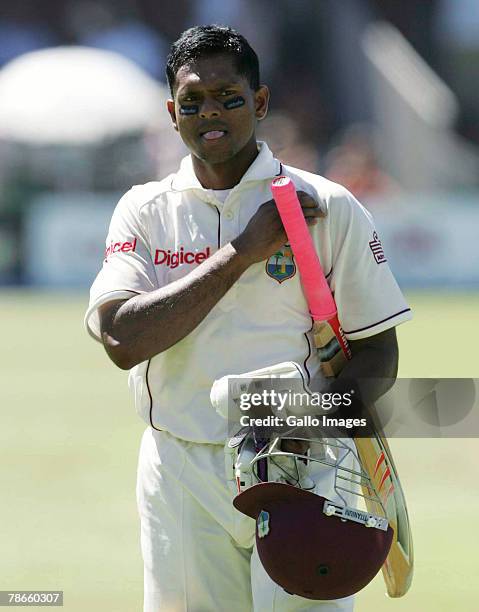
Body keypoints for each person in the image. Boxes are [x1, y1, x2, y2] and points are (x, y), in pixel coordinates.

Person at [85, 25, 412, 612]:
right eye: (193, 102)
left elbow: (378, 353)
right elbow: (120, 337)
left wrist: (308, 423)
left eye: (229, 98)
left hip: (300, 466)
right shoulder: (144, 210)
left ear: (259, 103)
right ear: (171, 111)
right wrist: (241, 251)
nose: (211, 113)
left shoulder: (327, 205)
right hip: (181, 468)